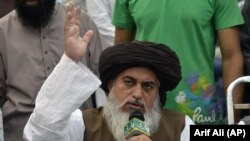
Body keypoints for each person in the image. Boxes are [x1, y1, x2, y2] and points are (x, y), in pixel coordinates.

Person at [23, 4, 194, 141]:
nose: (137, 94)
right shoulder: (83, 123)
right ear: (111, 85)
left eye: (148, 86)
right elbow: (39, 134)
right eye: (129, 82)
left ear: (158, 93)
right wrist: (70, 60)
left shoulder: (182, 126)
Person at [112, 0, 244, 124]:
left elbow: (232, 57)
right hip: (143, 110)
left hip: (198, 112)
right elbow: (120, 56)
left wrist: (234, 118)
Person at [0, 0, 104, 140]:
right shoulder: (3, 30)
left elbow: (107, 78)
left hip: (75, 132)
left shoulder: (80, 21)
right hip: (20, 132)